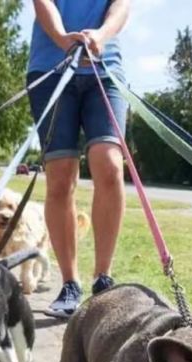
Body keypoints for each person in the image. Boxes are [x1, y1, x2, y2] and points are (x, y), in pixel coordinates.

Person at [29, 0, 130, 318]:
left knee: (110, 164)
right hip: (50, 68)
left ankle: (103, 279)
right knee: (59, 177)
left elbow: (121, 5)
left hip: (104, 66)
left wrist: (101, 34)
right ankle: (70, 283)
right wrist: (61, 37)